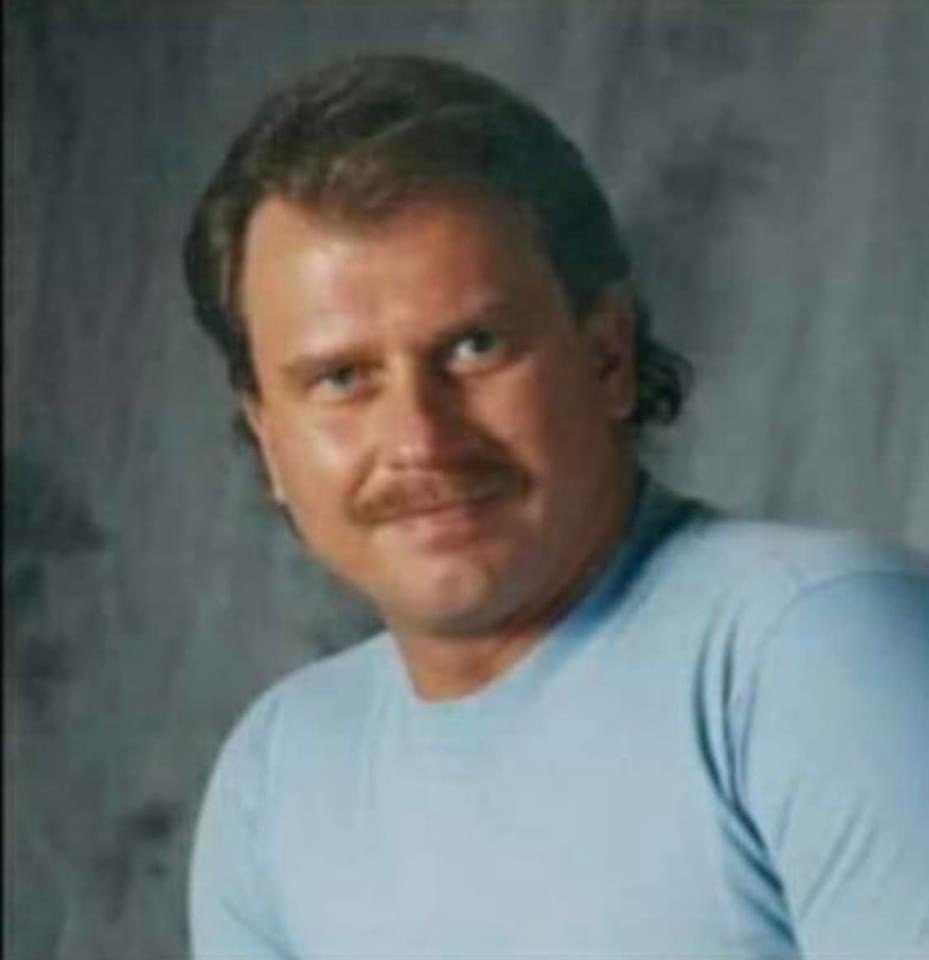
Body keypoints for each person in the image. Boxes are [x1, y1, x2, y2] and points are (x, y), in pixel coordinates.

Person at [183, 54, 929, 959]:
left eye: (474, 347)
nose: (419, 438)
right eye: (342, 378)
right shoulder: (276, 770)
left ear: (607, 356)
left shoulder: (816, 647)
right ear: (268, 438)